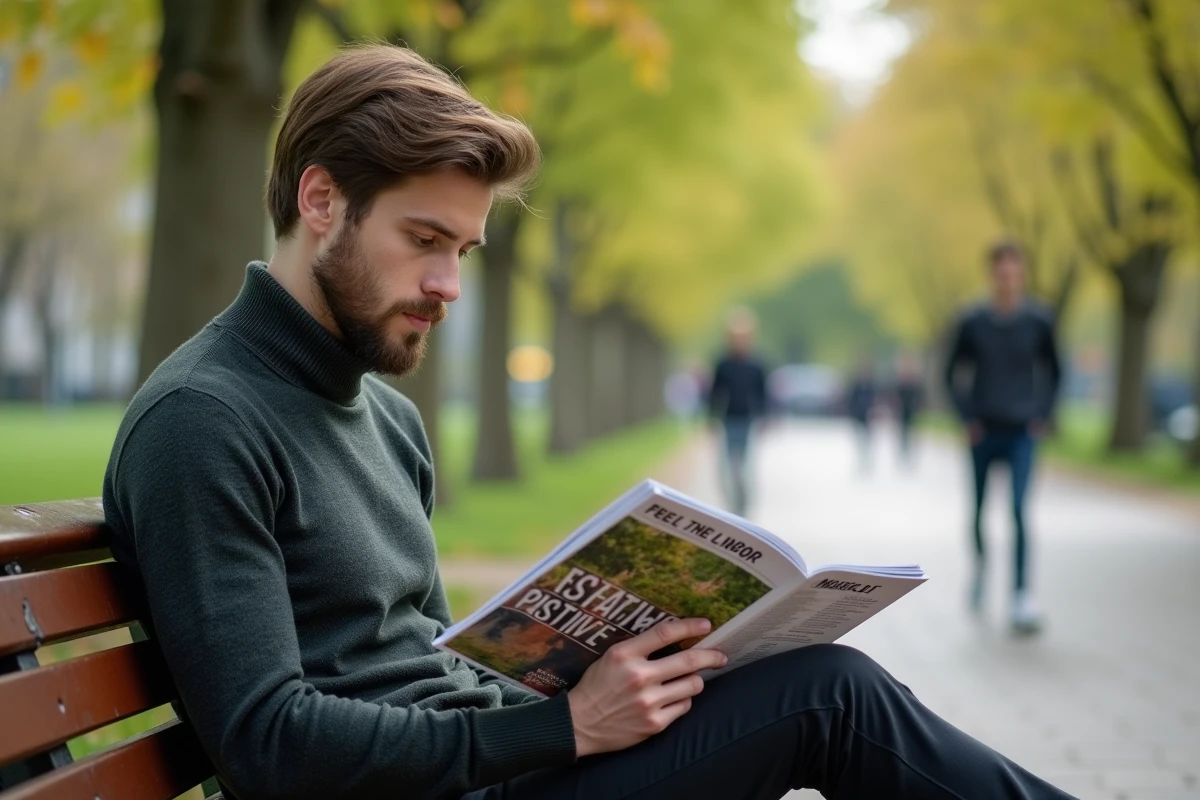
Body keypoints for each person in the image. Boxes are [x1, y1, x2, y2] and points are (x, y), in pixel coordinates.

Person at [102, 45, 1075, 800]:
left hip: (499, 770)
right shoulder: (204, 423)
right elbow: (267, 742)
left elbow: (429, 665)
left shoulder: (384, 418)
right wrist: (564, 729)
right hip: (484, 777)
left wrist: (601, 678)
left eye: (465, 251)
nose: (446, 284)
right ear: (322, 199)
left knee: (816, 676)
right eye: (425, 240)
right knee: (830, 696)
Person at [944, 240, 1062, 634]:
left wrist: (1042, 415)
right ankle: (980, 569)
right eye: (1001, 271)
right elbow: (950, 372)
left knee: (1018, 512)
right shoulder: (973, 320)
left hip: (1022, 432)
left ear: (1022, 273)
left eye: (1013, 271)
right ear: (992, 273)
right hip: (983, 431)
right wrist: (966, 418)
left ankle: (1021, 596)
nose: (1007, 278)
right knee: (978, 513)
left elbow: (1055, 370)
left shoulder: (1039, 320)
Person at [707, 310, 768, 516]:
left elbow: (762, 392)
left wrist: (764, 417)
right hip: (728, 419)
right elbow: (715, 392)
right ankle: (731, 506)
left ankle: (743, 506)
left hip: (748, 420)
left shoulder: (756, 364)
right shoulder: (723, 364)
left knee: (744, 467)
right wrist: (712, 418)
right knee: (726, 468)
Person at [844, 358, 877, 473]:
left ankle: (867, 462)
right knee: (859, 440)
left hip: (868, 418)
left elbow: (874, 401)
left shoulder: (872, 386)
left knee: (868, 441)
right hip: (858, 416)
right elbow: (851, 400)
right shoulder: (856, 385)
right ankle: (861, 462)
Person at [893, 354, 925, 465]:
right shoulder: (900, 384)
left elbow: (920, 398)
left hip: (913, 413)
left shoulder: (916, 384)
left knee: (913, 435)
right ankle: (903, 455)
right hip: (902, 413)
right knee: (903, 435)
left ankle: (911, 456)